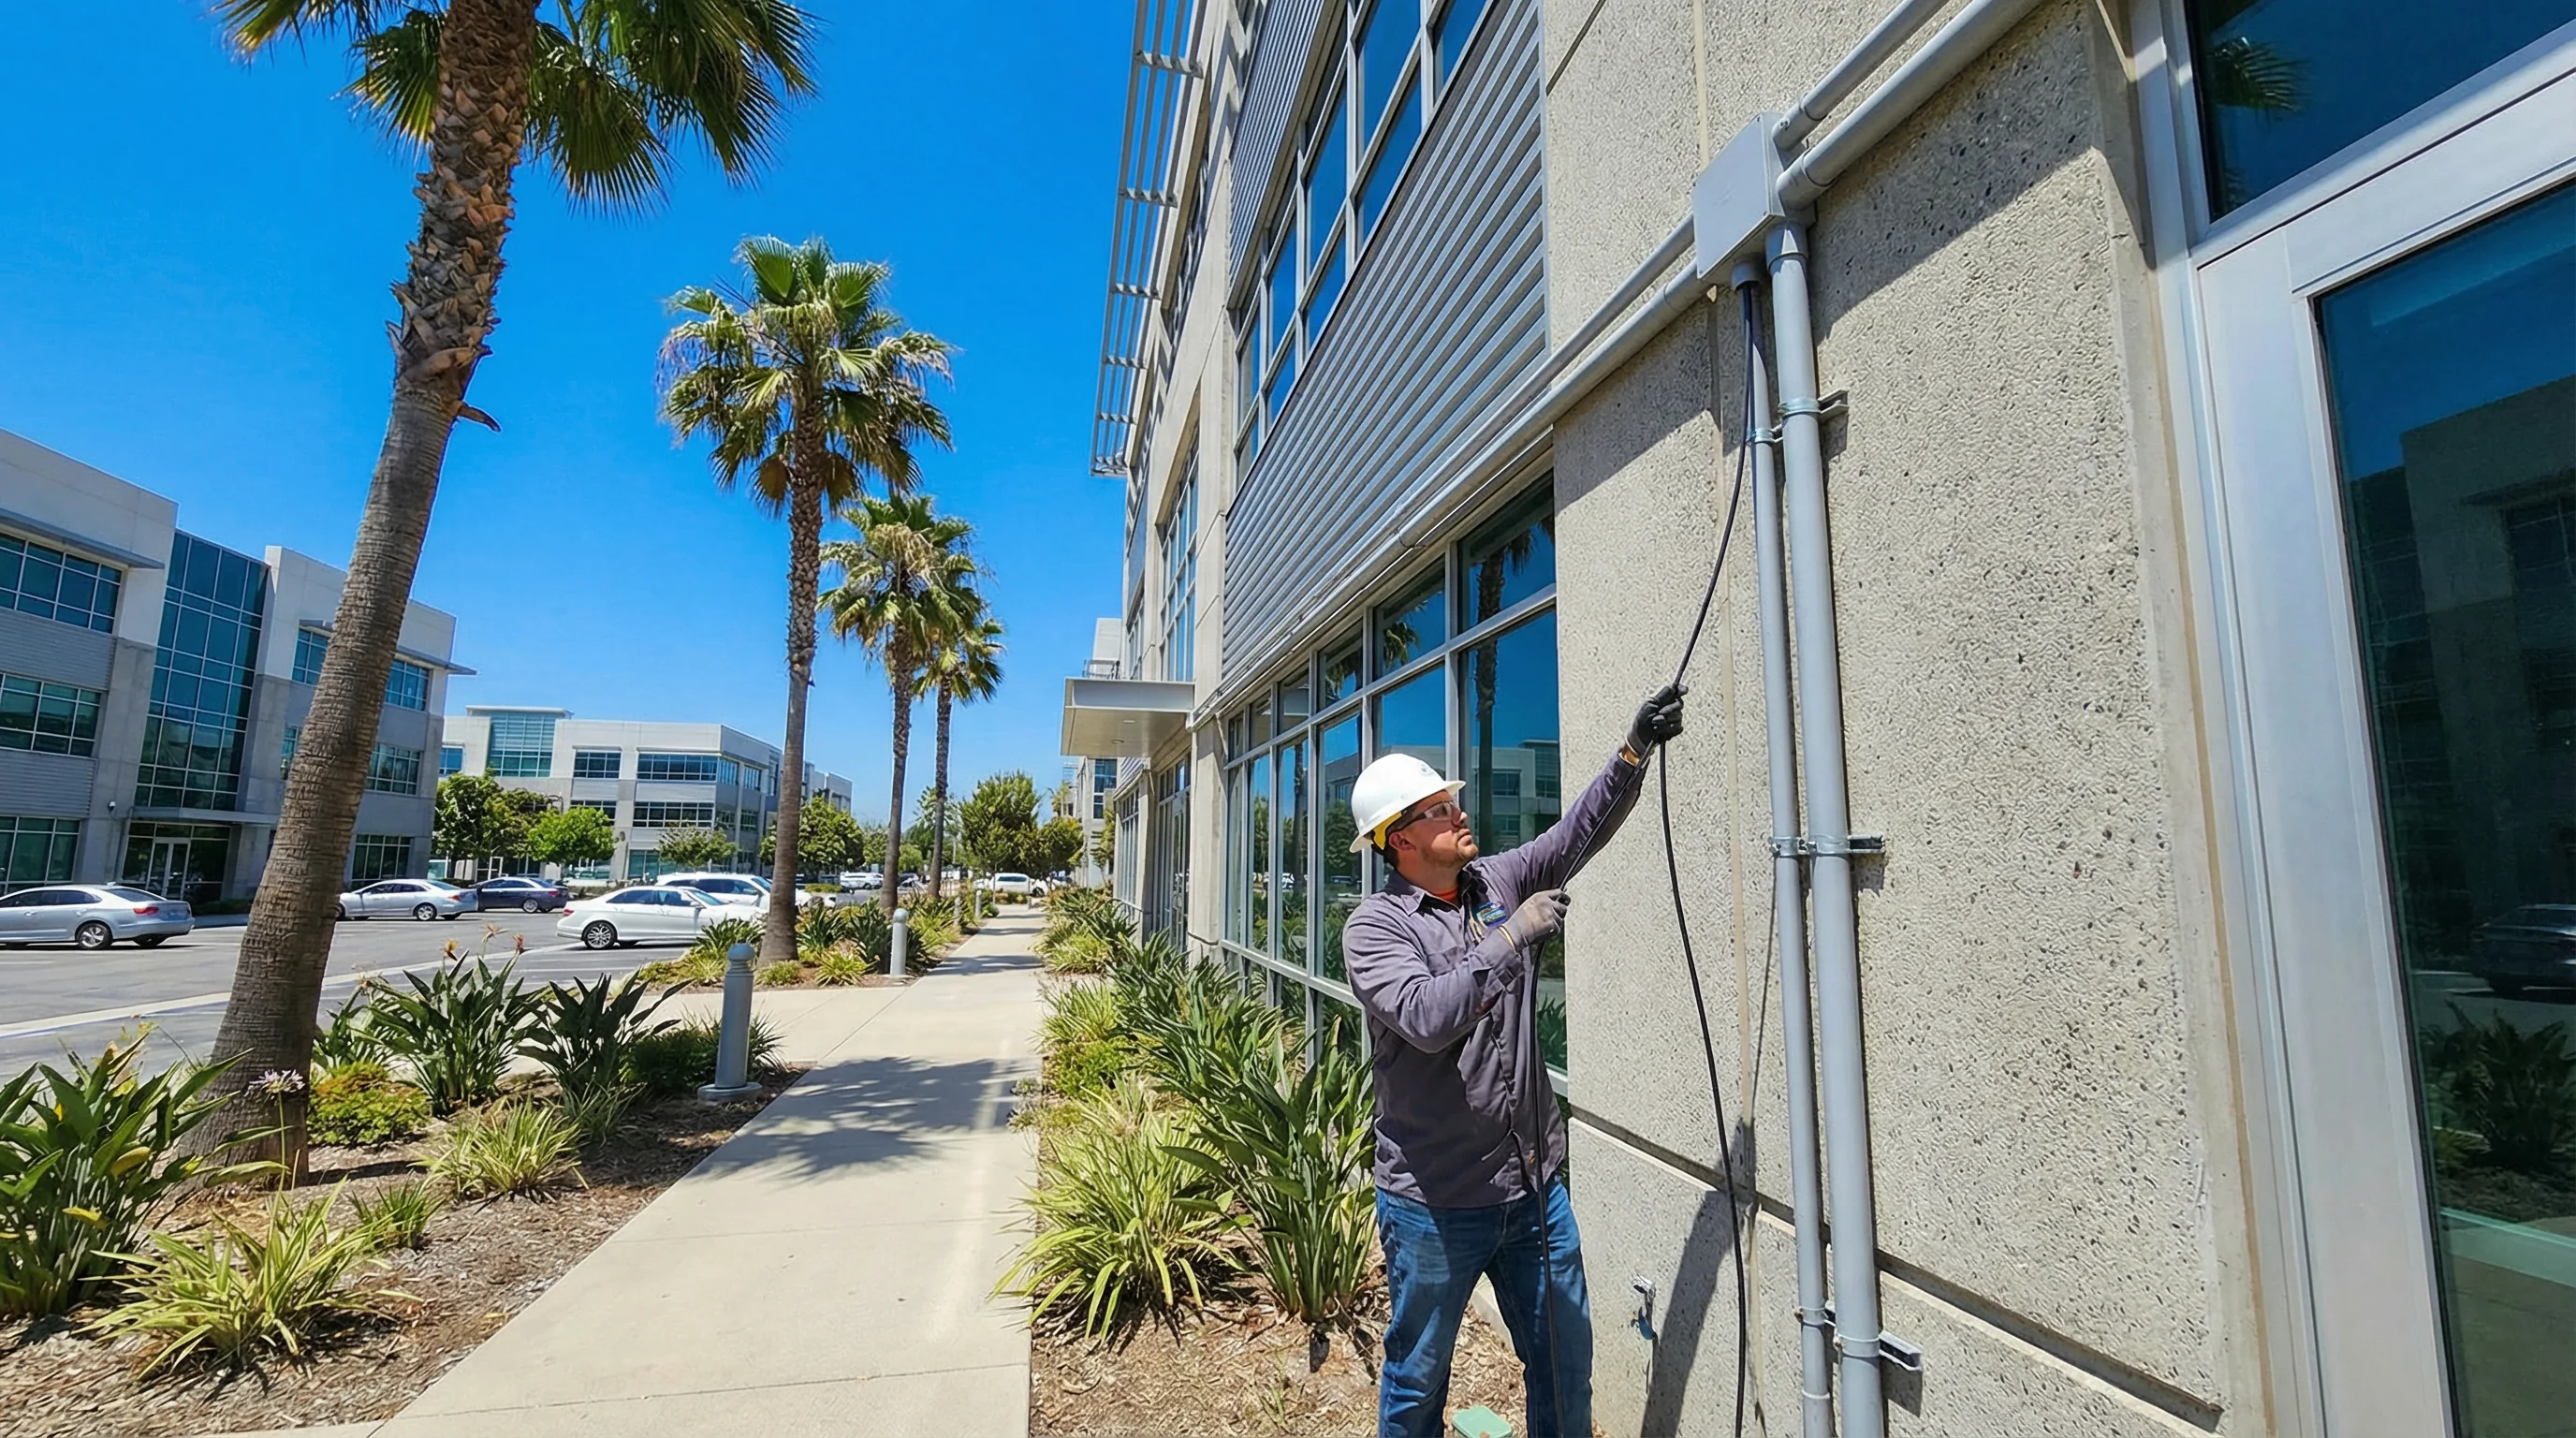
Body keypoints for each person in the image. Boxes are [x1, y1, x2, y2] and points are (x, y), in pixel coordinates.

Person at [1341, 682, 1688, 1438]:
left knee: (1566, 1371)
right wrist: (1512, 939)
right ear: (1398, 839)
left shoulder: (1495, 880)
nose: (1459, 813)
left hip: (1534, 1192)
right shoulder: (1375, 929)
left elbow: (1576, 835)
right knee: (1418, 1381)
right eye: (1439, 808)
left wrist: (1633, 752)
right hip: (1434, 1203)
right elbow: (1428, 1018)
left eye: (1453, 802)